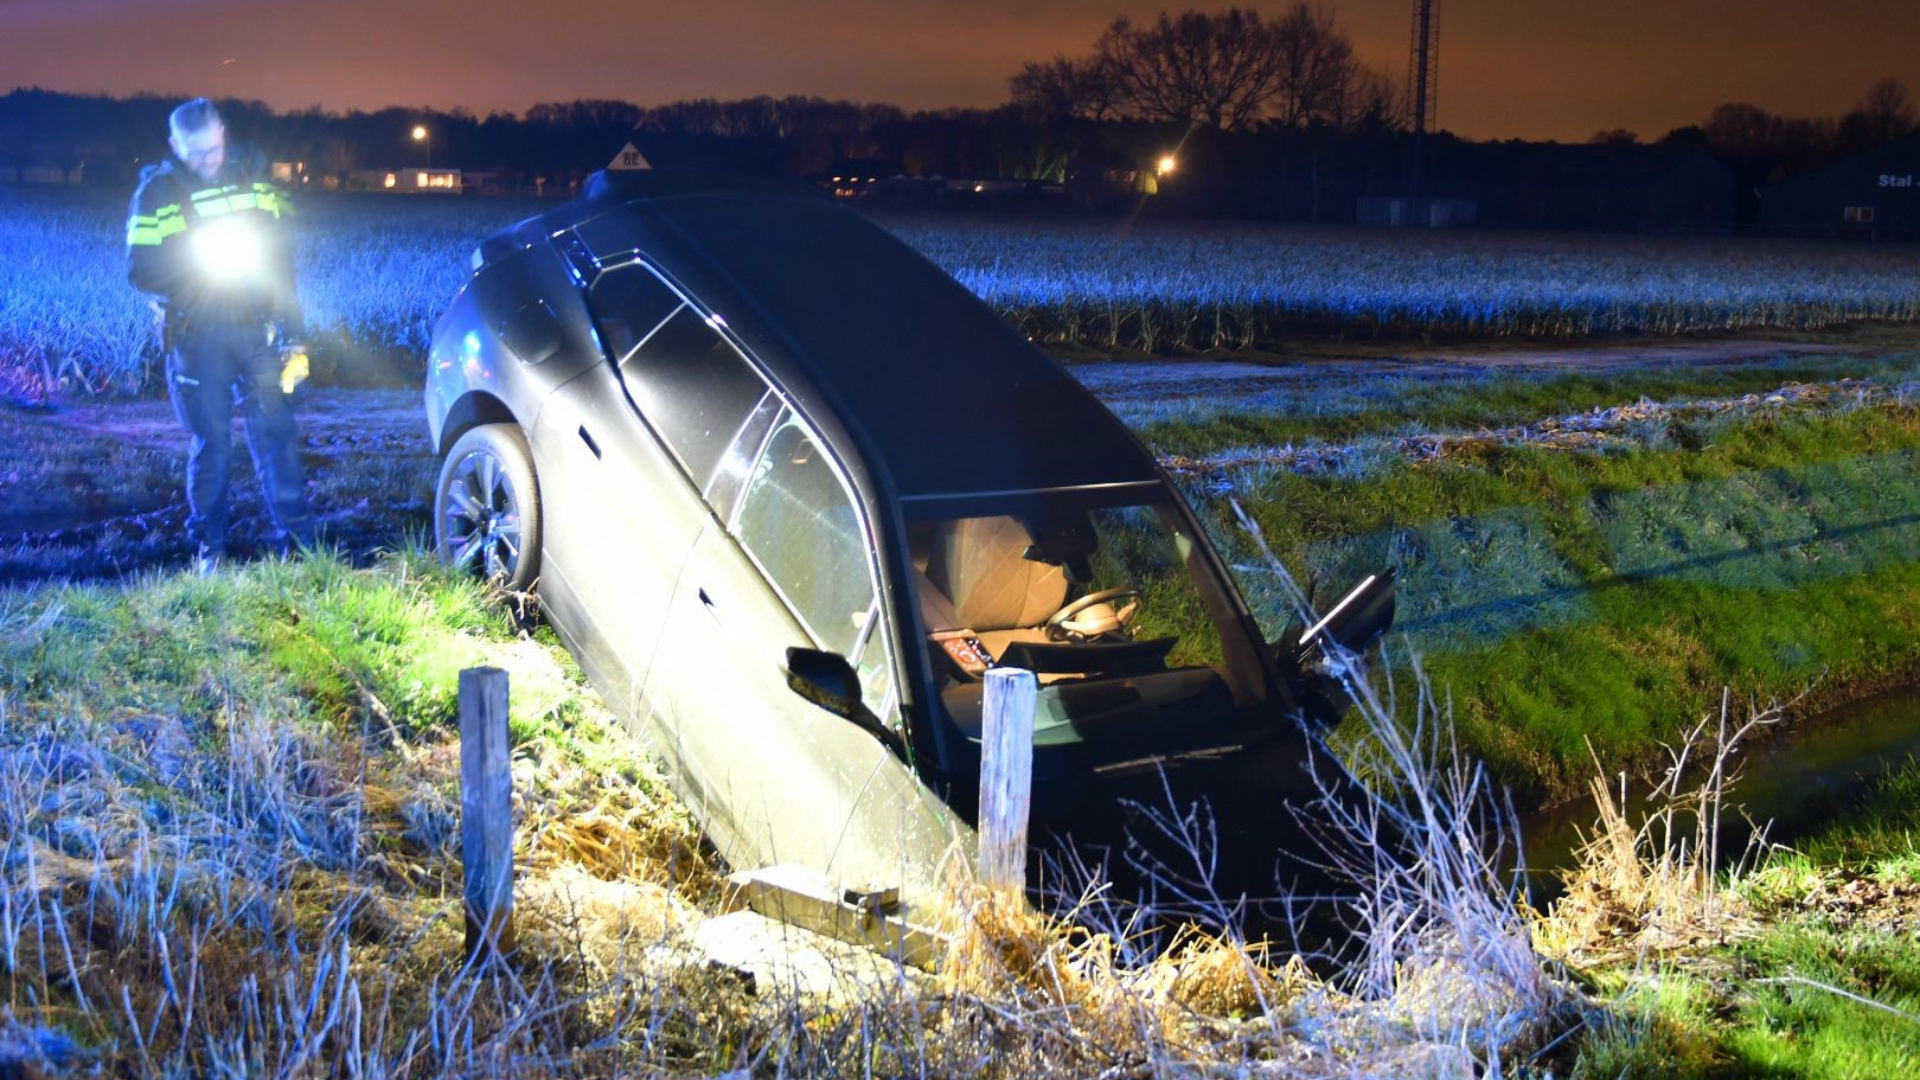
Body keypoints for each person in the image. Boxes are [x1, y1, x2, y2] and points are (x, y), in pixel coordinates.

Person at [127, 97, 314, 571]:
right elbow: (139, 270)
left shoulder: (255, 182)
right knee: (212, 444)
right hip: (197, 335)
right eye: (197, 154)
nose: (208, 161)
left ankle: (300, 545)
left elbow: (282, 261)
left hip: (258, 332)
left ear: (223, 135)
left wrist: (296, 333)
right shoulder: (157, 192)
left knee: (276, 434)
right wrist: (199, 275)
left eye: (213, 150)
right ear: (176, 145)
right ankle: (210, 546)